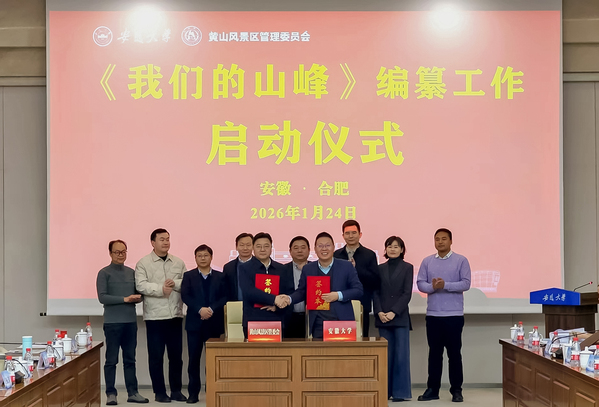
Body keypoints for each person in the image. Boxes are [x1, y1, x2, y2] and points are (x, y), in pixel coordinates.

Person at [416, 228, 471, 403]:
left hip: (454, 316)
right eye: (437, 239)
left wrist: (445, 285)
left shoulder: (461, 260)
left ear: (451, 241)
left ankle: (456, 390)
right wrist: (433, 287)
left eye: (444, 239)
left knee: (454, 355)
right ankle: (433, 389)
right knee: (434, 354)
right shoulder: (427, 261)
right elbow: (420, 283)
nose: (440, 242)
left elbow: (466, 283)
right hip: (433, 315)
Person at [135, 229, 187, 403]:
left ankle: (176, 391)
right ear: (153, 242)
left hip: (175, 315)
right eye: (162, 239)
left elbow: (187, 282)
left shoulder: (178, 262)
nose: (166, 242)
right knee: (156, 357)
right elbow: (140, 285)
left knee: (176, 357)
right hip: (155, 317)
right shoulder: (143, 263)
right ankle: (159, 392)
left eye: (168, 239)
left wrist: (175, 284)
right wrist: (160, 289)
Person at [96, 240, 149, 405]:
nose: (121, 255)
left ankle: (133, 393)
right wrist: (125, 299)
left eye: (124, 251)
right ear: (110, 253)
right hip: (112, 323)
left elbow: (139, 294)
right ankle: (111, 394)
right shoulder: (104, 273)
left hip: (130, 322)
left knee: (130, 360)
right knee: (111, 360)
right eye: (117, 252)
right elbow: (102, 297)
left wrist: (138, 298)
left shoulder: (131, 273)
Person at [289, 232, 363, 339]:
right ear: (315, 249)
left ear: (333, 247)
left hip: (341, 322)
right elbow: (301, 292)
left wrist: (338, 295)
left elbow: (358, 290)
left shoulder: (346, 266)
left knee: (343, 350)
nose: (324, 249)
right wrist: (289, 299)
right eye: (320, 246)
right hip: (318, 323)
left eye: (327, 245)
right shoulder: (308, 269)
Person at [181, 245, 228, 404]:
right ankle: (193, 393)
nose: (202, 258)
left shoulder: (221, 276)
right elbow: (185, 296)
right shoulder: (188, 276)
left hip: (214, 323)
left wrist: (211, 309)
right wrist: (199, 309)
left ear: (211, 257)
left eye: (205, 255)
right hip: (195, 324)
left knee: (213, 360)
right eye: (199, 255)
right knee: (193, 360)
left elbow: (225, 296)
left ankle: (212, 390)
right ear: (195, 258)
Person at [373, 236, 413, 402]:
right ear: (385, 249)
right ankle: (385, 390)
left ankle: (400, 393)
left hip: (400, 317)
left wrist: (393, 312)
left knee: (401, 356)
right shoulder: (379, 268)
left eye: (396, 246)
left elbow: (407, 293)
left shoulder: (408, 267)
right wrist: (379, 312)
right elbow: (375, 292)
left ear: (402, 250)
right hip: (383, 318)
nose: (393, 249)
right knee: (386, 356)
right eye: (390, 246)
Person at [239, 232, 294, 337]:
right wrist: (274, 299)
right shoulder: (245, 268)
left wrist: (278, 307)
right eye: (258, 246)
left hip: (276, 319)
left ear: (271, 248)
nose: (262, 249)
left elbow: (289, 293)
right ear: (253, 248)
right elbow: (249, 292)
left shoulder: (282, 269)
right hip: (253, 320)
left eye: (266, 246)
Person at [334, 220, 379, 337]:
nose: (351, 236)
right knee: (340, 338)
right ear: (343, 236)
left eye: (354, 233)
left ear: (360, 234)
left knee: (361, 338)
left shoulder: (369, 254)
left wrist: (355, 269)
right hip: (340, 304)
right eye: (347, 233)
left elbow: (375, 281)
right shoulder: (336, 255)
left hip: (362, 304)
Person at [284, 236, 311, 338]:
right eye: (296, 248)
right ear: (290, 251)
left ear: (309, 250)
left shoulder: (316, 269)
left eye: (303, 247)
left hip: (311, 317)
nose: (300, 250)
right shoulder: (282, 270)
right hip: (289, 317)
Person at [223, 233, 253, 302]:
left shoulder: (260, 265)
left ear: (253, 246)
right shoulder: (228, 267)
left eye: (248, 245)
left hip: (256, 306)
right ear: (236, 247)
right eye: (242, 245)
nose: (245, 248)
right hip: (235, 305)